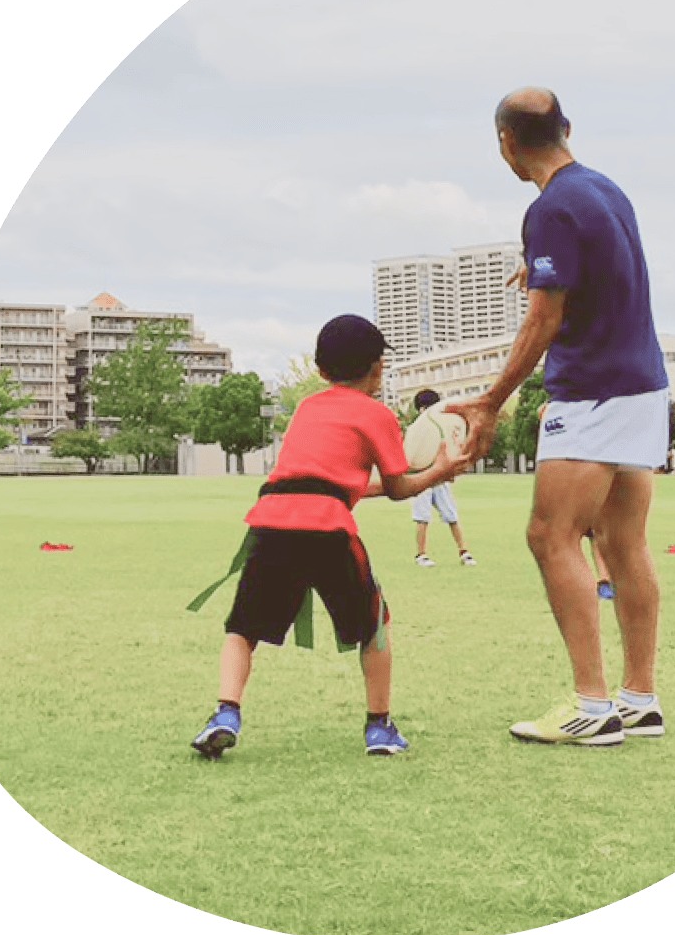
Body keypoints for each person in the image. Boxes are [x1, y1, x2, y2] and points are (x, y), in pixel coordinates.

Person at [449, 87, 669, 747]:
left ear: (505, 144)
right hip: (643, 385)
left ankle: (591, 706)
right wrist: (538, 269)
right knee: (622, 544)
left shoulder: (548, 209)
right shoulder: (605, 190)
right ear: (566, 128)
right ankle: (639, 698)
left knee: (551, 535)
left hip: (593, 392)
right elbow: (602, 272)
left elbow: (544, 320)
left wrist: (489, 403)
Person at [191, 314, 472, 760]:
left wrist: (422, 473)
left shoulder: (306, 409)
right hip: (327, 527)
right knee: (374, 626)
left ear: (321, 371)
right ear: (379, 368)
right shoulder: (377, 414)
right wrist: (440, 469)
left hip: (272, 520)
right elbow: (398, 488)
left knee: (242, 628)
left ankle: (226, 713)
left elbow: (326, 482)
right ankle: (378, 727)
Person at [409, 389, 477, 568]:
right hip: (423, 477)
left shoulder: (444, 425)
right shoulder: (418, 428)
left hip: (439, 478)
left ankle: (464, 552)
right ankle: (421, 555)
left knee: (451, 515)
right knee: (422, 517)